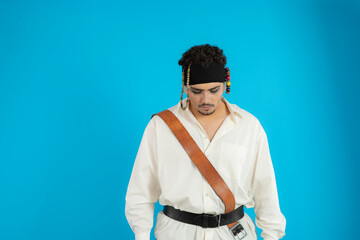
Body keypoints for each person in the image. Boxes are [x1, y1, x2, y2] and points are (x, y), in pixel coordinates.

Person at [125, 44, 286, 240]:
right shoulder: (161, 127)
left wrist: (271, 236)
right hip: (176, 234)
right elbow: (140, 190)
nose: (206, 99)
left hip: (233, 234)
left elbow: (265, 187)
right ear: (185, 87)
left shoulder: (249, 126)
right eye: (196, 91)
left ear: (226, 84)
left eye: (214, 90)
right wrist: (141, 235)